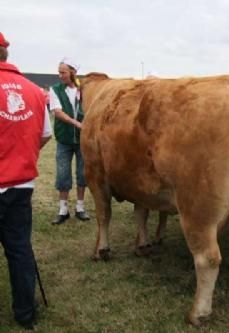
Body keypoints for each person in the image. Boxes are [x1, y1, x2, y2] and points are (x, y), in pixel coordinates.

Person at [0, 32, 52, 330]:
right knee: (20, 249)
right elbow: (45, 134)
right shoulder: (34, 90)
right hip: (21, 185)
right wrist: (23, 152)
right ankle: (25, 312)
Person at [49, 57, 90, 224]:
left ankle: (80, 207)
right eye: (59, 72)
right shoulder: (55, 89)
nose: (60, 75)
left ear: (73, 72)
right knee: (63, 174)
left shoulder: (85, 89)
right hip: (64, 139)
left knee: (82, 174)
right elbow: (57, 112)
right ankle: (63, 209)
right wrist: (78, 124)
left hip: (82, 140)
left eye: (63, 72)